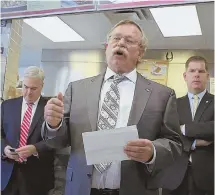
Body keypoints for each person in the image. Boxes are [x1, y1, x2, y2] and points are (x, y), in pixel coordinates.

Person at [42, 20, 182, 195]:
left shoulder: (162, 95)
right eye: (116, 38)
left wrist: (152, 152)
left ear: (140, 53)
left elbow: (175, 143)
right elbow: (56, 142)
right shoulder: (77, 89)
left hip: (135, 189)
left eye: (129, 40)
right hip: (81, 188)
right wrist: (53, 125)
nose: (121, 43)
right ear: (106, 47)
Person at [161, 56, 214, 195]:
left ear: (207, 76)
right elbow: (165, 133)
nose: (196, 74)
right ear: (185, 75)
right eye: (192, 71)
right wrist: (193, 143)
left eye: (201, 71)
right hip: (175, 176)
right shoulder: (172, 104)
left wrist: (184, 128)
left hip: (208, 177)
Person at [1, 66, 55, 195]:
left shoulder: (50, 108)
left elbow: (56, 138)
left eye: (33, 88)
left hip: (37, 177)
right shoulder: (7, 106)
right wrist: (4, 149)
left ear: (42, 86)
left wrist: (35, 149)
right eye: (25, 87)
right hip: (8, 175)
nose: (28, 92)